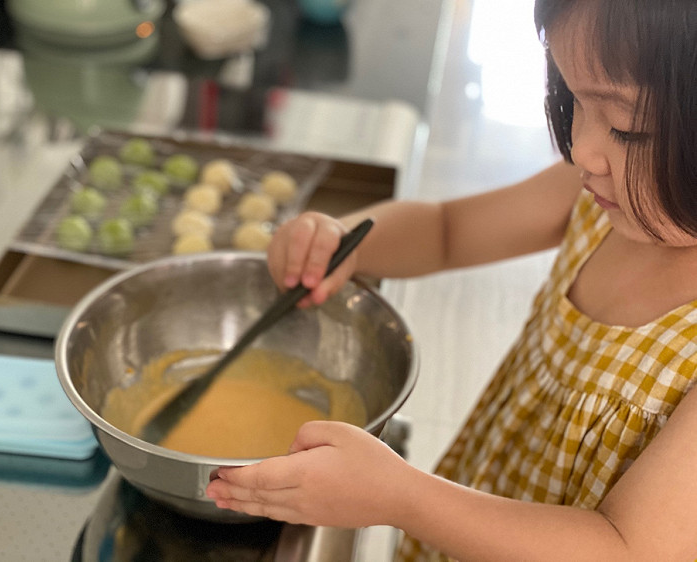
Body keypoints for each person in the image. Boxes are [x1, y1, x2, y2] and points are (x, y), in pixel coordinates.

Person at [206, 0, 697, 559]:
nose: (582, 148)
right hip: (477, 521)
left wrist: (403, 497)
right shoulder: (595, 198)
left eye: (629, 128)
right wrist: (340, 241)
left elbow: (628, 550)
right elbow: (446, 231)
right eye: (574, 99)